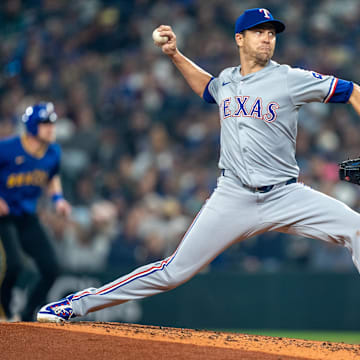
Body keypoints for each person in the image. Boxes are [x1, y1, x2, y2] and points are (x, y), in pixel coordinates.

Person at [37, 8, 360, 323]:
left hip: (286, 195)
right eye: (259, 32)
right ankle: (76, 305)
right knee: (173, 271)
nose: (267, 38)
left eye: (271, 33)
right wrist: (175, 55)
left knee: (356, 229)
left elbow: (352, 91)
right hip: (234, 196)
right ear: (239, 39)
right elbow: (208, 88)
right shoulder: (227, 81)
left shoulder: (290, 78)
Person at [0, 102, 71, 321]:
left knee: (52, 268)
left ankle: (25, 315)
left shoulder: (53, 152)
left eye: (52, 123)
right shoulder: (8, 148)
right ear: (32, 126)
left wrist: (58, 199)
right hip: (3, 217)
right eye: (45, 123)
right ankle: (5, 314)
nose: (51, 128)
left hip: (26, 217)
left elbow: (52, 177)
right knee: (14, 265)